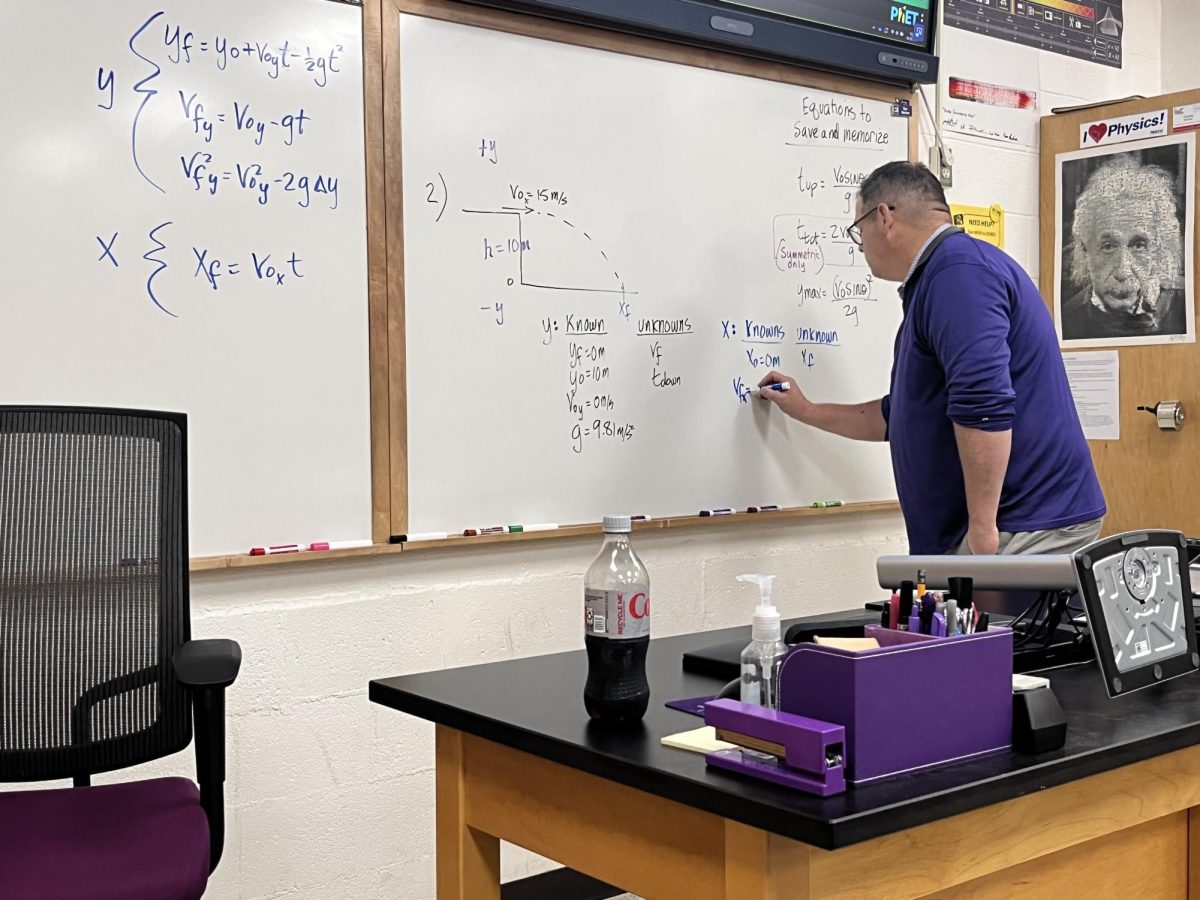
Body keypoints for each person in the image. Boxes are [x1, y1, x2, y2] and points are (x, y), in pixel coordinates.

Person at [758, 161, 1106, 555]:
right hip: (1009, 522)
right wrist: (806, 409)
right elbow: (901, 415)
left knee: (984, 620)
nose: (860, 246)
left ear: (885, 217)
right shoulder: (943, 275)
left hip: (1024, 521)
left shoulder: (959, 274)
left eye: (858, 230)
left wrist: (982, 530)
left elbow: (984, 405)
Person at [1060, 156, 1186, 341]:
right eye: (1108, 246)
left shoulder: (1186, 305)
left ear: (1160, 250)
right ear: (1085, 251)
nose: (1123, 271)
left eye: (1139, 245)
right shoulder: (1067, 319)